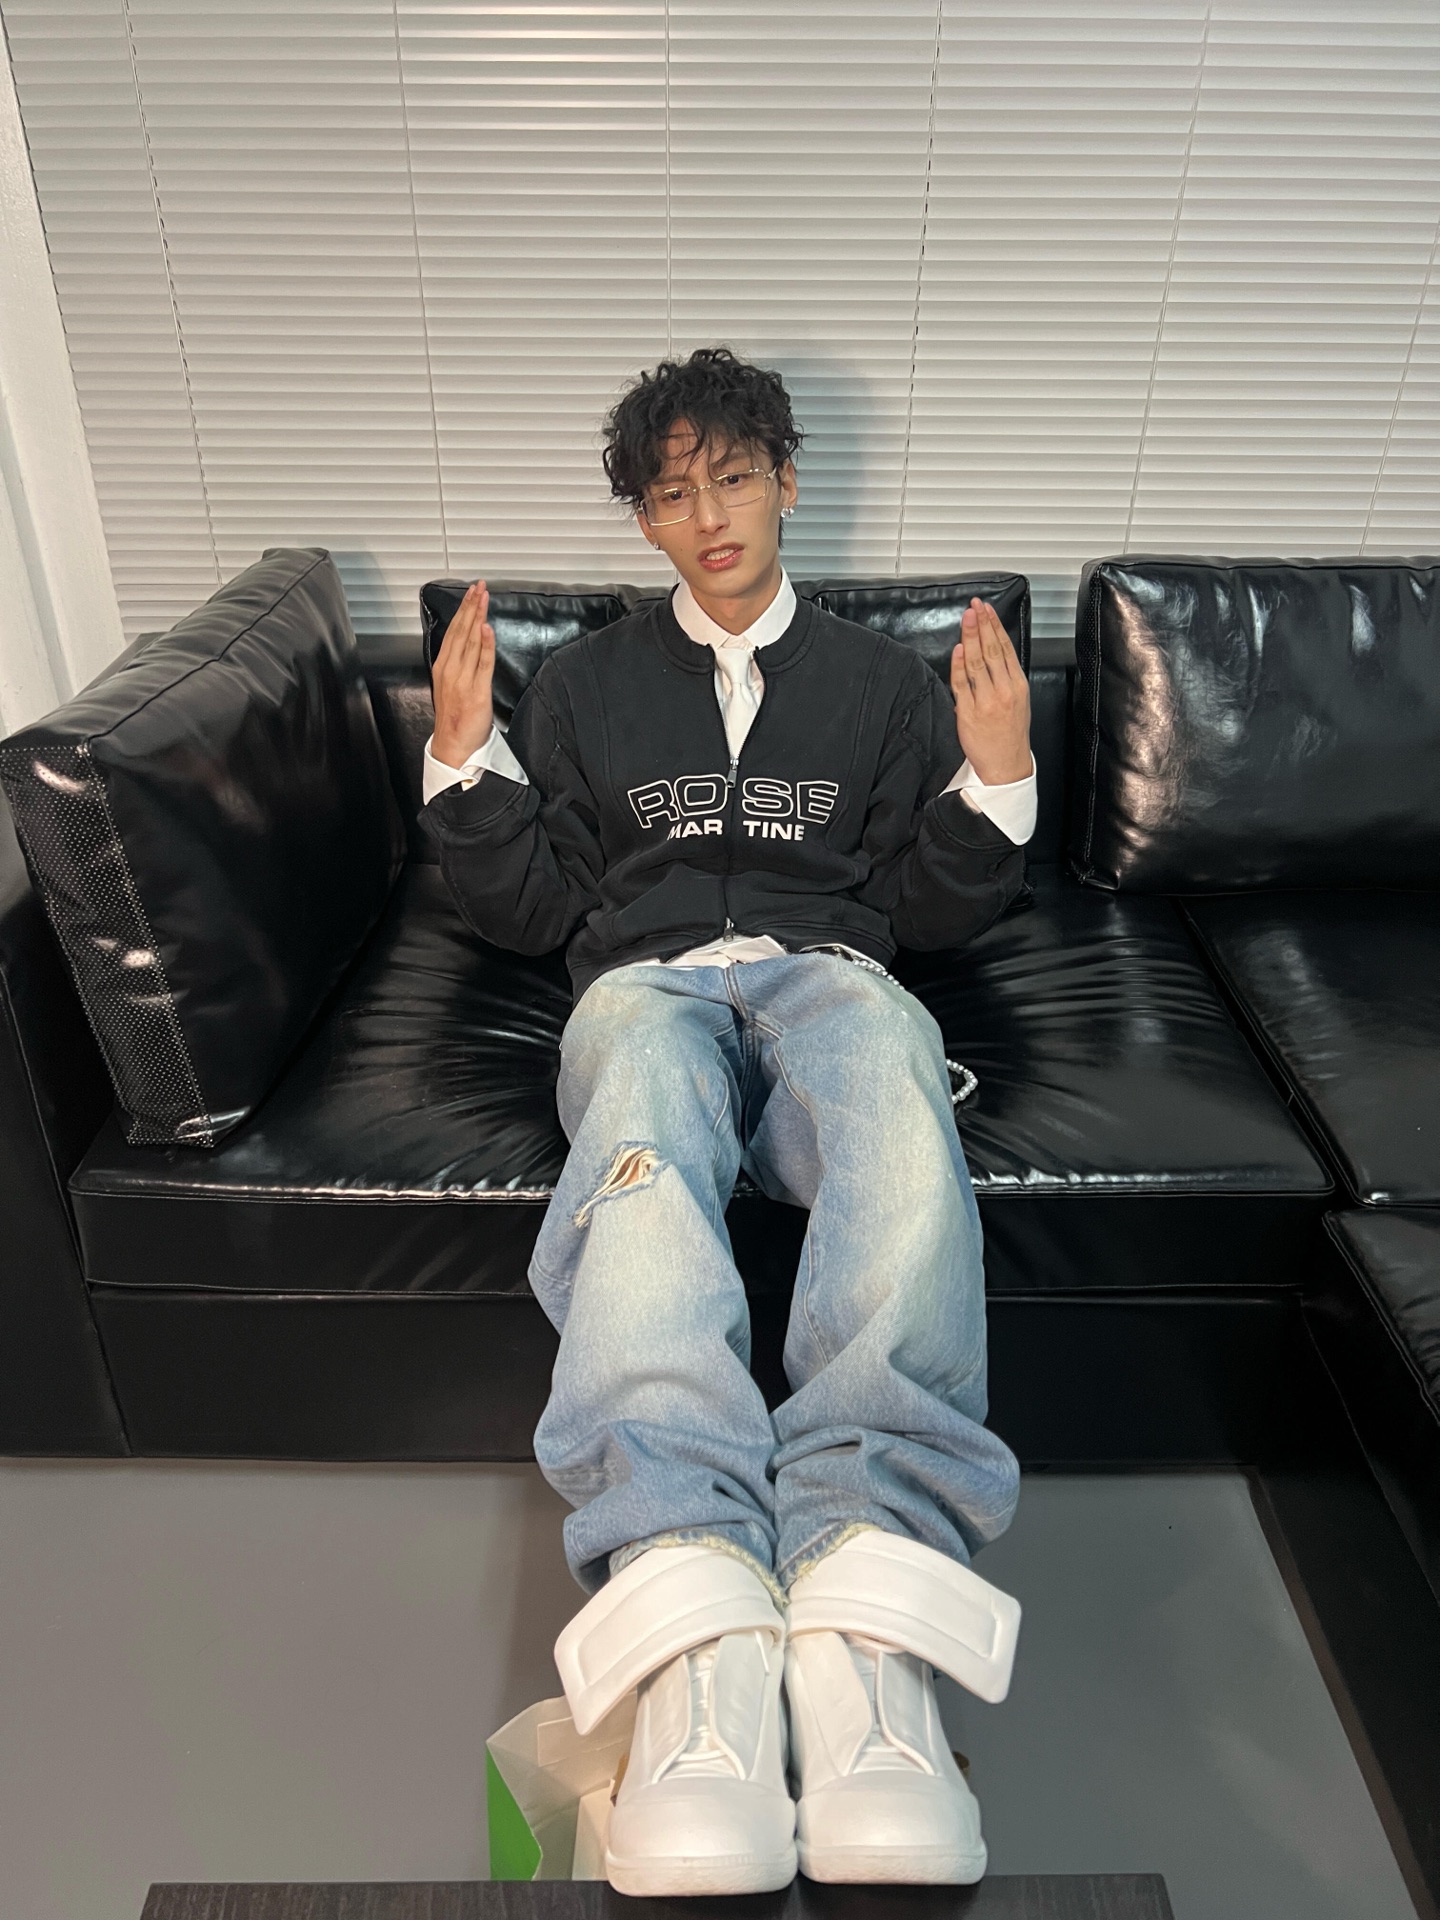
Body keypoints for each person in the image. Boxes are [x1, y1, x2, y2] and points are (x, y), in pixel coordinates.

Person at [419, 346, 1035, 1896]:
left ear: (786, 484)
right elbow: (535, 908)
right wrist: (464, 764)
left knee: (896, 1080)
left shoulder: (881, 688)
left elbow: (924, 911)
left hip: (830, 977)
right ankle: (689, 1577)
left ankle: (862, 1592)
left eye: (736, 480)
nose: (710, 519)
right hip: (647, 988)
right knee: (636, 1121)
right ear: (644, 519)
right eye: (673, 495)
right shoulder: (586, 689)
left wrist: (996, 781)